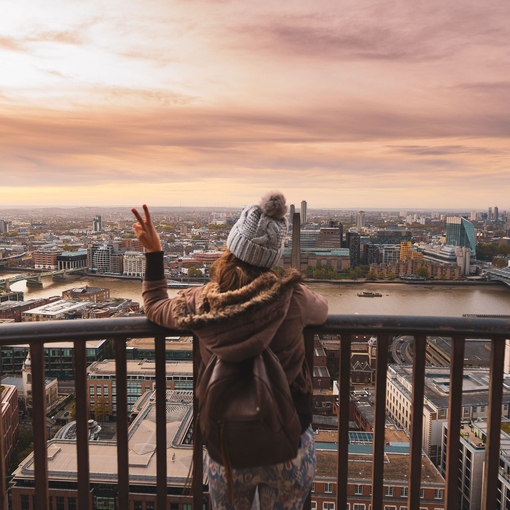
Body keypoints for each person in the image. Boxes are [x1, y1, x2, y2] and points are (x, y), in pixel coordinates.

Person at [132, 191, 328, 510]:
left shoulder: (200, 302)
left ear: (231, 249)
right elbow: (323, 311)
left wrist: (154, 253)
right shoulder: (294, 297)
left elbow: (154, 306)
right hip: (289, 441)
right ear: (274, 257)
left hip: (226, 446)